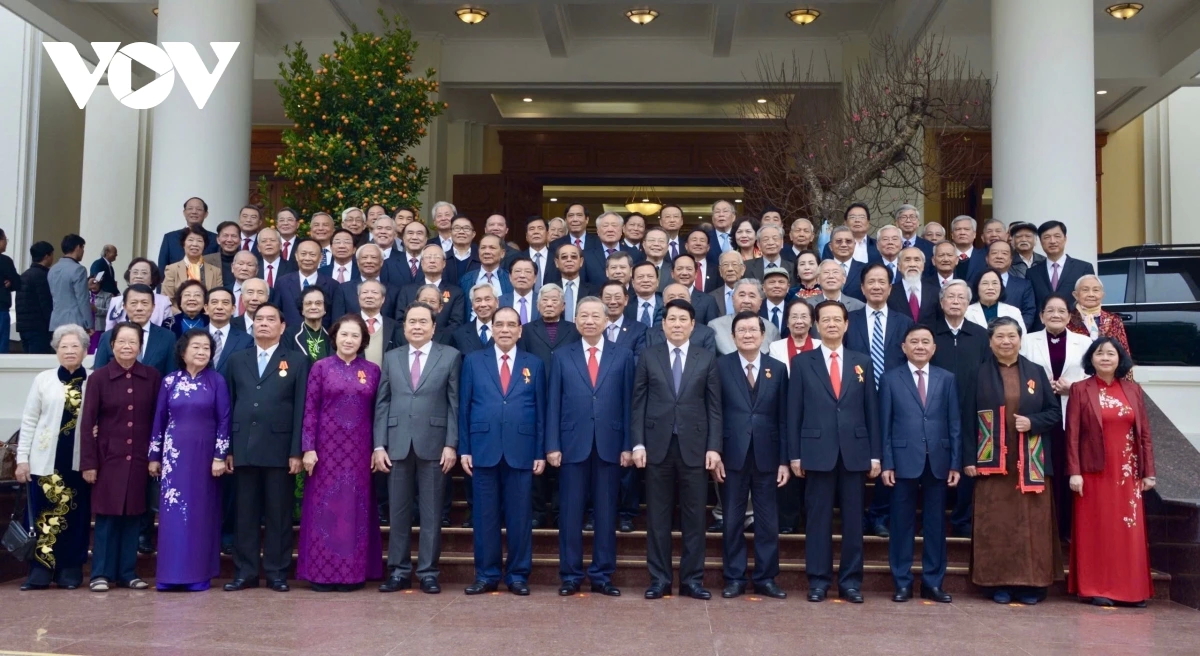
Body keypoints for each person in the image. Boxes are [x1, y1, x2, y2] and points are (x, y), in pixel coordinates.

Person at [965, 316, 1063, 605]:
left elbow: (1054, 413)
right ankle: (997, 584)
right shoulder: (977, 373)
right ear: (990, 342)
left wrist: (1032, 422)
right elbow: (965, 418)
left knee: (1032, 525)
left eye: (1012, 336)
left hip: (1029, 463)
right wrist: (968, 459)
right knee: (996, 524)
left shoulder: (1035, 372)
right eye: (999, 336)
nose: (1006, 342)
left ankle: (1032, 584)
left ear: (1021, 340)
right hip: (992, 462)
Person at [787, 300, 880, 603]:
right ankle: (818, 581)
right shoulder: (803, 362)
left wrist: (875, 454)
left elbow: (871, 410)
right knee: (818, 521)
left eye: (837, 319)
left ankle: (851, 582)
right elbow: (794, 411)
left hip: (855, 452)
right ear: (816, 325)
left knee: (853, 522)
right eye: (825, 320)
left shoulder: (861, 361)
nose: (831, 324)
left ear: (846, 324)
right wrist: (795, 454)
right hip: (816, 452)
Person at [632, 299, 723, 601]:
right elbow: (638, 403)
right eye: (672, 319)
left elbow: (714, 408)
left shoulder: (705, 358)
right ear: (663, 324)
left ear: (693, 325)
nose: (677, 324)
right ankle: (659, 579)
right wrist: (638, 442)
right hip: (657, 447)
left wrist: (714, 447)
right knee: (657, 518)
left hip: (695, 448)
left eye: (683, 319)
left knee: (694, 518)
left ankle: (692, 580)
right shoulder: (649, 355)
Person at [546, 296, 634, 597]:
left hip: (610, 444)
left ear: (607, 320)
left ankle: (602, 574)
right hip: (571, 445)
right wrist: (552, 445)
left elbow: (628, 403)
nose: (589, 321)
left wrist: (628, 445)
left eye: (596, 316)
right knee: (570, 513)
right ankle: (570, 575)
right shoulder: (562, 355)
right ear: (575, 320)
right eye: (583, 315)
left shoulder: (623, 356)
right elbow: (553, 403)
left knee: (606, 513)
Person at [458, 306, 546, 596]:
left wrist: (540, 451)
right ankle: (486, 574)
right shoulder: (473, 361)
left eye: (511, 325)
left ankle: (518, 575)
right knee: (485, 516)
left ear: (520, 331)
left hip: (522, 450)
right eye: (500, 324)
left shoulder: (534, 364)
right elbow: (464, 407)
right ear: (492, 329)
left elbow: (541, 410)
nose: (505, 329)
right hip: (483, 448)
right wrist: (465, 448)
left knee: (520, 517)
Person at [374, 301, 461, 594]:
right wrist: (379, 444)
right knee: (397, 511)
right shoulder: (392, 357)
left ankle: (428, 572)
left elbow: (454, 403)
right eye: (412, 321)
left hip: (435, 444)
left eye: (423, 321)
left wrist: (451, 444)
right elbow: (383, 402)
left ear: (434, 327)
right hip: (397, 443)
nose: (417, 326)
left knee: (432, 512)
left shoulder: (450, 356)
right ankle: (398, 571)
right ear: (404, 326)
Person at [224, 303, 310, 593]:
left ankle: (276, 573)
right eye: (258, 319)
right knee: (245, 515)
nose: (263, 323)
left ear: (282, 327)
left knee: (279, 515)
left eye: (270, 319)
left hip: (280, 449)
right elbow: (230, 404)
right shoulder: (237, 359)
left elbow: (301, 408)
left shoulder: (297, 360)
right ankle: (245, 572)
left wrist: (296, 451)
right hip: (244, 447)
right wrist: (229, 449)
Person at [296, 314, 383, 592]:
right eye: (344, 334)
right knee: (324, 508)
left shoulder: (372, 371)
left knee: (354, 510)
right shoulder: (320, 368)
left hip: (359, 451)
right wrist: (308, 448)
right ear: (334, 337)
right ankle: (321, 574)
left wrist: (377, 447)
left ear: (363, 340)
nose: (349, 340)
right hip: (325, 452)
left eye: (355, 335)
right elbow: (310, 410)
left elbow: (378, 413)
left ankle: (351, 574)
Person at [1066, 337, 1155, 607]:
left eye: (1111, 354)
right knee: (1097, 528)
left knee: (1128, 532)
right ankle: (1096, 587)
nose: (1105, 358)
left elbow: (1144, 434)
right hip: (1093, 471)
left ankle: (1131, 590)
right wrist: (1074, 471)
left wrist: (1148, 472)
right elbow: (1072, 435)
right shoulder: (1080, 389)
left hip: (1128, 471)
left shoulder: (1133, 389)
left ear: (1120, 359)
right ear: (1091, 359)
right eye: (1099, 353)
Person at [880, 325, 960, 603]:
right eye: (914, 341)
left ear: (934, 348)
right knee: (901, 524)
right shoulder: (890, 379)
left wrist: (955, 462)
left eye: (926, 341)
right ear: (904, 347)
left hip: (938, 460)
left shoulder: (947, 378)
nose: (920, 346)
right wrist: (887, 463)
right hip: (902, 460)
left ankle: (933, 582)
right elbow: (885, 424)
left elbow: (954, 423)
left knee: (935, 525)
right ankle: (902, 582)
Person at [79, 322, 161, 591]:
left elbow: (157, 419)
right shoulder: (99, 378)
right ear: (112, 345)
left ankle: (127, 572)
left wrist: (154, 455)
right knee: (106, 517)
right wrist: (89, 463)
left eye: (133, 342)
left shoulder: (151, 377)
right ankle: (100, 573)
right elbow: (88, 422)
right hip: (108, 459)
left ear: (140, 346)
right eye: (121, 342)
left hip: (139, 458)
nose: (127, 347)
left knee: (133, 515)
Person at [147, 329, 230, 590]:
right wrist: (154, 456)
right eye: (196, 347)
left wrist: (220, 456)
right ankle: (169, 575)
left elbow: (224, 420)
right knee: (172, 515)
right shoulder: (169, 381)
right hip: (174, 458)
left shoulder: (216, 381)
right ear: (183, 352)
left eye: (206, 348)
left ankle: (197, 575)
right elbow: (159, 418)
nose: (202, 352)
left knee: (201, 514)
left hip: (205, 459)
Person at [717, 311, 789, 600]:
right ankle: (734, 577)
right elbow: (714, 412)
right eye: (742, 330)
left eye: (753, 330)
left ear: (763, 335)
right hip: (731, 454)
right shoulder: (720, 366)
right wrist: (716, 452)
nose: (747, 335)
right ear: (733, 336)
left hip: (768, 454)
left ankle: (765, 577)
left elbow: (784, 417)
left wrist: (784, 460)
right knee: (732, 519)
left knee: (767, 520)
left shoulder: (777, 368)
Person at [14, 325, 91, 590]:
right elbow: (29, 420)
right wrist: (22, 459)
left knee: (75, 515)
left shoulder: (93, 381)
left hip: (78, 462)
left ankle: (70, 568)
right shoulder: (43, 380)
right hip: (45, 461)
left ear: (85, 350)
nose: (69, 351)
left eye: (75, 346)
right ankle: (40, 570)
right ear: (56, 350)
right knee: (43, 515)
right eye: (64, 346)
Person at [846, 263, 915, 537]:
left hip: (893, 401)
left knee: (888, 457)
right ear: (862, 288)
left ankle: (880, 515)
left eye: (881, 282)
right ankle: (856, 515)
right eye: (871, 282)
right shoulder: (849, 320)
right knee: (854, 458)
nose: (876, 286)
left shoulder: (904, 322)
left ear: (890, 288)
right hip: (854, 400)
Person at [1022, 295, 1093, 541]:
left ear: (1069, 316)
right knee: (1041, 468)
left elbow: (1092, 377)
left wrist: (1072, 388)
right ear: (1041, 316)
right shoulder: (1027, 340)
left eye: (1061, 311)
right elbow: (1020, 372)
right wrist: (1040, 388)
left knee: (1067, 467)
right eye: (1050, 310)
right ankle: (1041, 529)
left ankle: (1066, 528)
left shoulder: (1084, 342)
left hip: (1071, 411)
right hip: (1038, 413)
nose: (1055, 315)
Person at [94, 284, 176, 378]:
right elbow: (98, 376)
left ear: (153, 307)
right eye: (134, 303)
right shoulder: (108, 336)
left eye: (144, 303)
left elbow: (171, 377)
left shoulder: (168, 337)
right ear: (124, 307)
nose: (139, 308)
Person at [1028, 220, 1095, 312]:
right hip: (1042, 321)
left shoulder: (1083, 268)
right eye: (1047, 237)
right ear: (1040, 241)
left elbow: (1090, 299)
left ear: (1065, 239)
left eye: (1057, 236)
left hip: (1075, 320)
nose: (1052, 241)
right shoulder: (1032, 273)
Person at [272, 238, 338, 330]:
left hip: (320, 335)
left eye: (312, 254)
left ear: (320, 258)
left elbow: (334, 317)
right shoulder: (282, 282)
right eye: (303, 254)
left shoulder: (332, 285)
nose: (307, 258)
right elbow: (276, 312)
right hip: (289, 336)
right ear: (296, 256)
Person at [710, 279, 779, 355]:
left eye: (752, 296)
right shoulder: (715, 326)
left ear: (760, 302)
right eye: (742, 295)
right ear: (733, 299)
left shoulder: (771, 329)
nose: (746, 301)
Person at [1068, 274, 1132, 357]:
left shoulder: (1114, 320)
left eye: (1096, 290)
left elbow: (1124, 352)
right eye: (1085, 290)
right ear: (1075, 295)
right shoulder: (1067, 320)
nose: (1091, 294)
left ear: (1102, 295)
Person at [105, 258, 174, 331]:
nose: (138, 276)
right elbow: (109, 330)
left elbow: (167, 331)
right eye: (135, 272)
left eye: (144, 273)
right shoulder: (116, 301)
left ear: (152, 278)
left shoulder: (164, 302)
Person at [162, 225, 223, 304]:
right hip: (179, 311)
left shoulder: (215, 271)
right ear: (183, 244)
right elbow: (166, 301)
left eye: (199, 241)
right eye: (190, 240)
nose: (195, 244)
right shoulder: (172, 270)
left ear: (204, 245)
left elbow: (218, 299)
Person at [157, 197, 217, 273]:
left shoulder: (215, 239)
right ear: (184, 213)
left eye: (199, 209)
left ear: (206, 214)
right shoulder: (170, 238)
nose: (194, 212)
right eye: (190, 208)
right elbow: (162, 268)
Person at [17, 241, 54, 353]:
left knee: (28, 359)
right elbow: (45, 303)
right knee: (39, 358)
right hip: (38, 327)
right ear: (46, 256)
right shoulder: (43, 276)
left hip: (23, 326)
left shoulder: (24, 275)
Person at [48, 234, 91, 332]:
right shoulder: (79, 269)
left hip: (56, 321)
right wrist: (89, 323)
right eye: (83, 248)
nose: (83, 251)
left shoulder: (53, 269)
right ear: (78, 247)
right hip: (74, 321)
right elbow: (82, 299)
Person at [208, 287, 254, 377]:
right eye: (214, 302)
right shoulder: (193, 337)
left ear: (233, 309)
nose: (219, 307)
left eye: (225, 303)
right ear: (206, 308)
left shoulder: (246, 340)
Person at [888, 247, 938, 326]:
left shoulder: (936, 292)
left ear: (923, 266)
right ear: (899, 266)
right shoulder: (889, 292)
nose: (912, 264)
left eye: (917, 260)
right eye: (907, 260)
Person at [966, 269, 1026, 334]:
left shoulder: (1014, 312)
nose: (990, 287)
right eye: (985, 283)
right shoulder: (966, 312)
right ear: (977, 287)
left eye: (995, 283)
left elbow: (1022, 337)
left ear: (1001, 287)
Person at [284, 285, 331, 359]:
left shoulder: (332, 335)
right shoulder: (290, 334)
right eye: (308, 303)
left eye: (318, 303)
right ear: (302, 310)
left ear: (325, 309)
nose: (313, 307)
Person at [204, 221, 242, 288]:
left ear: (240, 241)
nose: (229, 240)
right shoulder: (205, 261)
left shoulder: (248, 261)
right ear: (218, 240)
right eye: (225, 235)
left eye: (234, 236)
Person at [948, 215, 987, 281]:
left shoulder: (984, 257)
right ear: (952, 235)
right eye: (958, 229)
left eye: (966, 229)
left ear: (974, 234)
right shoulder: (945, 257)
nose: (962, 233)